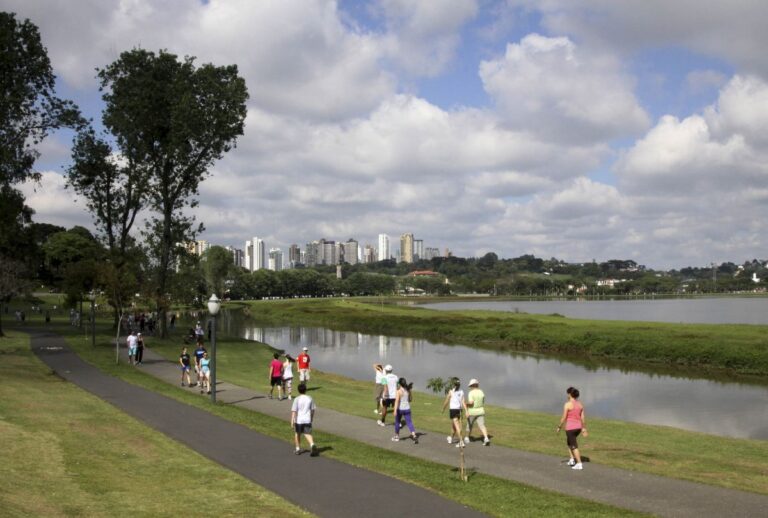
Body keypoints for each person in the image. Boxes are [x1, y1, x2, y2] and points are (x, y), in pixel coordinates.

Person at [557, 386, 588, 470]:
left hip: (571, 428)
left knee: (574, 446)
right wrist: (583, 428)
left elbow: (564, 417)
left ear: (570, 394)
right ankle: (572, 460)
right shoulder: (580, 404)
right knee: (569, 443)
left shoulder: (567, 404)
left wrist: (559, 426)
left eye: (568, 394)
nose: (567, 395)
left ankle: (579, 463)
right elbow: (583, 418)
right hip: (578, 428)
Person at [291, 383, 317, 456]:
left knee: (297, 434)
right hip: (307, 419)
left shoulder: (297, 399)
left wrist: (292, 420)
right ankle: (312, 444)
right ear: (305, 390)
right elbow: (313, 410)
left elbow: (294, 411)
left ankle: (298, 449)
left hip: (299, 420)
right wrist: (311, 417)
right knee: (307, 433)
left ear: (298, 390)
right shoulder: (310, 398)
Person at [442, 377, 468, 447]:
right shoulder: (461, 391)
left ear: (454, 384)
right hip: (459, 410)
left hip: (453, 410)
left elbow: (446, 401)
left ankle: (461, 441)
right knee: (454, 425)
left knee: (456, 425)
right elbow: (463, 402)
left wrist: (443, 409)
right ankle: (450, 438)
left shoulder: (451, 391)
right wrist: (466, 411)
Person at [392, 377, 418, 443]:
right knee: (409, 423)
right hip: (407, 409)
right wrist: (410, 392)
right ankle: (414, 435)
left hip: (400, 409)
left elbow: (396, 401)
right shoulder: (408, 390)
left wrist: (395, 410)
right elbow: (410, 400)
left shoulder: (398, 391)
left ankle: (397, 436)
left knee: (397, 422)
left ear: (400, 384)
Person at [466, 379, 490, 446]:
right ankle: (486, 438)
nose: (470, 387)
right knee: (482, 425)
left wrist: (465, 404)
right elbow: (482, 401)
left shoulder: (471, 393)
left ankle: (467, 438)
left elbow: (471, 403)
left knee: (469, 425)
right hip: (481, 411)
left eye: (471, 385)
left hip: (472, 412)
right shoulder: (481, 392)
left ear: (473, 385)